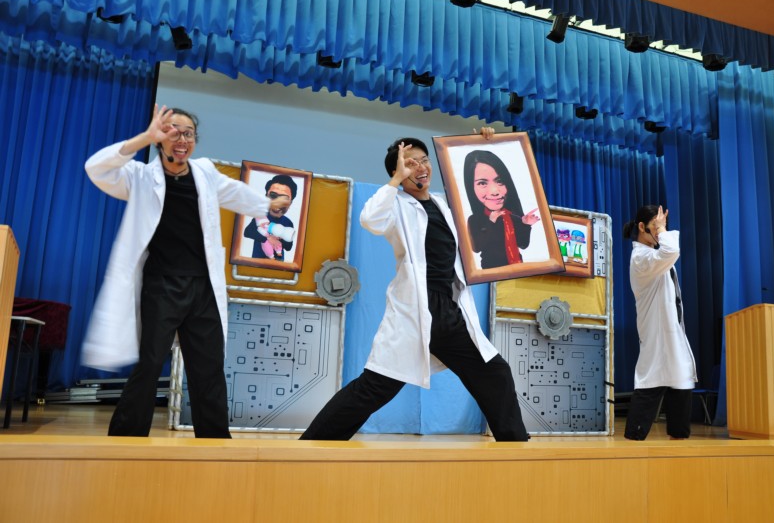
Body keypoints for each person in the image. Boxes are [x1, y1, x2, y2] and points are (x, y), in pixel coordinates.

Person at [299, 129, 528, 442]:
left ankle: (515, 447)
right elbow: (370, 219)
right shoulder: (396, 206)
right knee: (375, 387)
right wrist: (395, 181)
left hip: (449, 310)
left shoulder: (446, 205)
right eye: (409, 164)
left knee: (494, 372)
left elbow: (485, 193)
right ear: (398, 172)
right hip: (415, 311)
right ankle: (313, 444)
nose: (420, 167)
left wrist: (485, 142)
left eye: (423, 160)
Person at [82, 104, 290, 438]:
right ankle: (125, 439)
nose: (182, 139)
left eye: (189, 134)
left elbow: (234, 192)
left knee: (208, 367)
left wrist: (267, 205)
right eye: (173, 132)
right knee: (150, 363)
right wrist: (143, 138)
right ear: (159, 139)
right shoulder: (139, 177)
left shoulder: (204, 172)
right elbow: (96, 168)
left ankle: (215, 442)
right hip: (161, 285)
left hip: (203, 288)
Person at [622, 205, 697, 441]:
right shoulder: (641, 258)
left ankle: (678, 437)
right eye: (655, 225)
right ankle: (633, 440)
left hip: (671, 330)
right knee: (652, 378)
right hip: (657, 331)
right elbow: (671, 250)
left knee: (681, 378)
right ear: (641, 227)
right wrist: (663, 230)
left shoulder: (653, 256)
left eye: (662, 225)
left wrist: (660, 228)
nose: (660, 230)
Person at [463, 150, 540, 269]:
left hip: (518, 269)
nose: (494, 191)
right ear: (471, 187)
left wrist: (525, 224)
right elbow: (476, 247)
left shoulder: (512, 216)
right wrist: (490, 222)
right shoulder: (475, 220)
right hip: (492, 272)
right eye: (482, 183)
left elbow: (523, 244)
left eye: (500, 182)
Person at [243, 174, 298, 261]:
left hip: (277, 264)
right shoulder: (261, 216)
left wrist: (279, 238)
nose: (278, 202)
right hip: (257, 262)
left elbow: (288, 247)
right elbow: (248, 232)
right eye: (273, 195)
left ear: (290, 203)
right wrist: (268, 238)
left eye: (284, 199)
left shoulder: (287, 222)